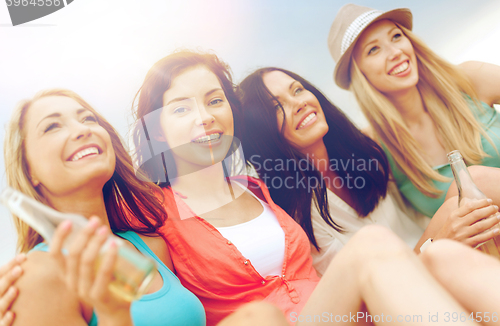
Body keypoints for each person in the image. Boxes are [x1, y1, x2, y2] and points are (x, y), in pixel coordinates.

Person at [131, 50, 500, 326]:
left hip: (338, 314)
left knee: (443, 254)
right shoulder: (155, 214)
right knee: (375, 244)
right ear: (158, 131)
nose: (205, 116)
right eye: (181, 109)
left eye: (215, 100)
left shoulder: (260, 188)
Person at [236, 67, 500, 273]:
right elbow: (363, 300)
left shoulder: (361, 153)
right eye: (276, 106)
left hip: (444, 257)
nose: (299, 103)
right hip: (400, 297)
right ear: (263, 132)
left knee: (470, 184)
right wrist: (437, 242)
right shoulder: (291, 212)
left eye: (297, 90)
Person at [1, 89, 206, 326]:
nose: (82, 130)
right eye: (52, 127)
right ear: (30, 171)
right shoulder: (36, 277)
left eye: (88, 119)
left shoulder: (152, 245)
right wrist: (113, 314)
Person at [327, 4, 500, 227]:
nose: (395, 52)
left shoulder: (470, 79)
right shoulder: (375, 146)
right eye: (374, 49)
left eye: (396, 36)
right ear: (359, 74)